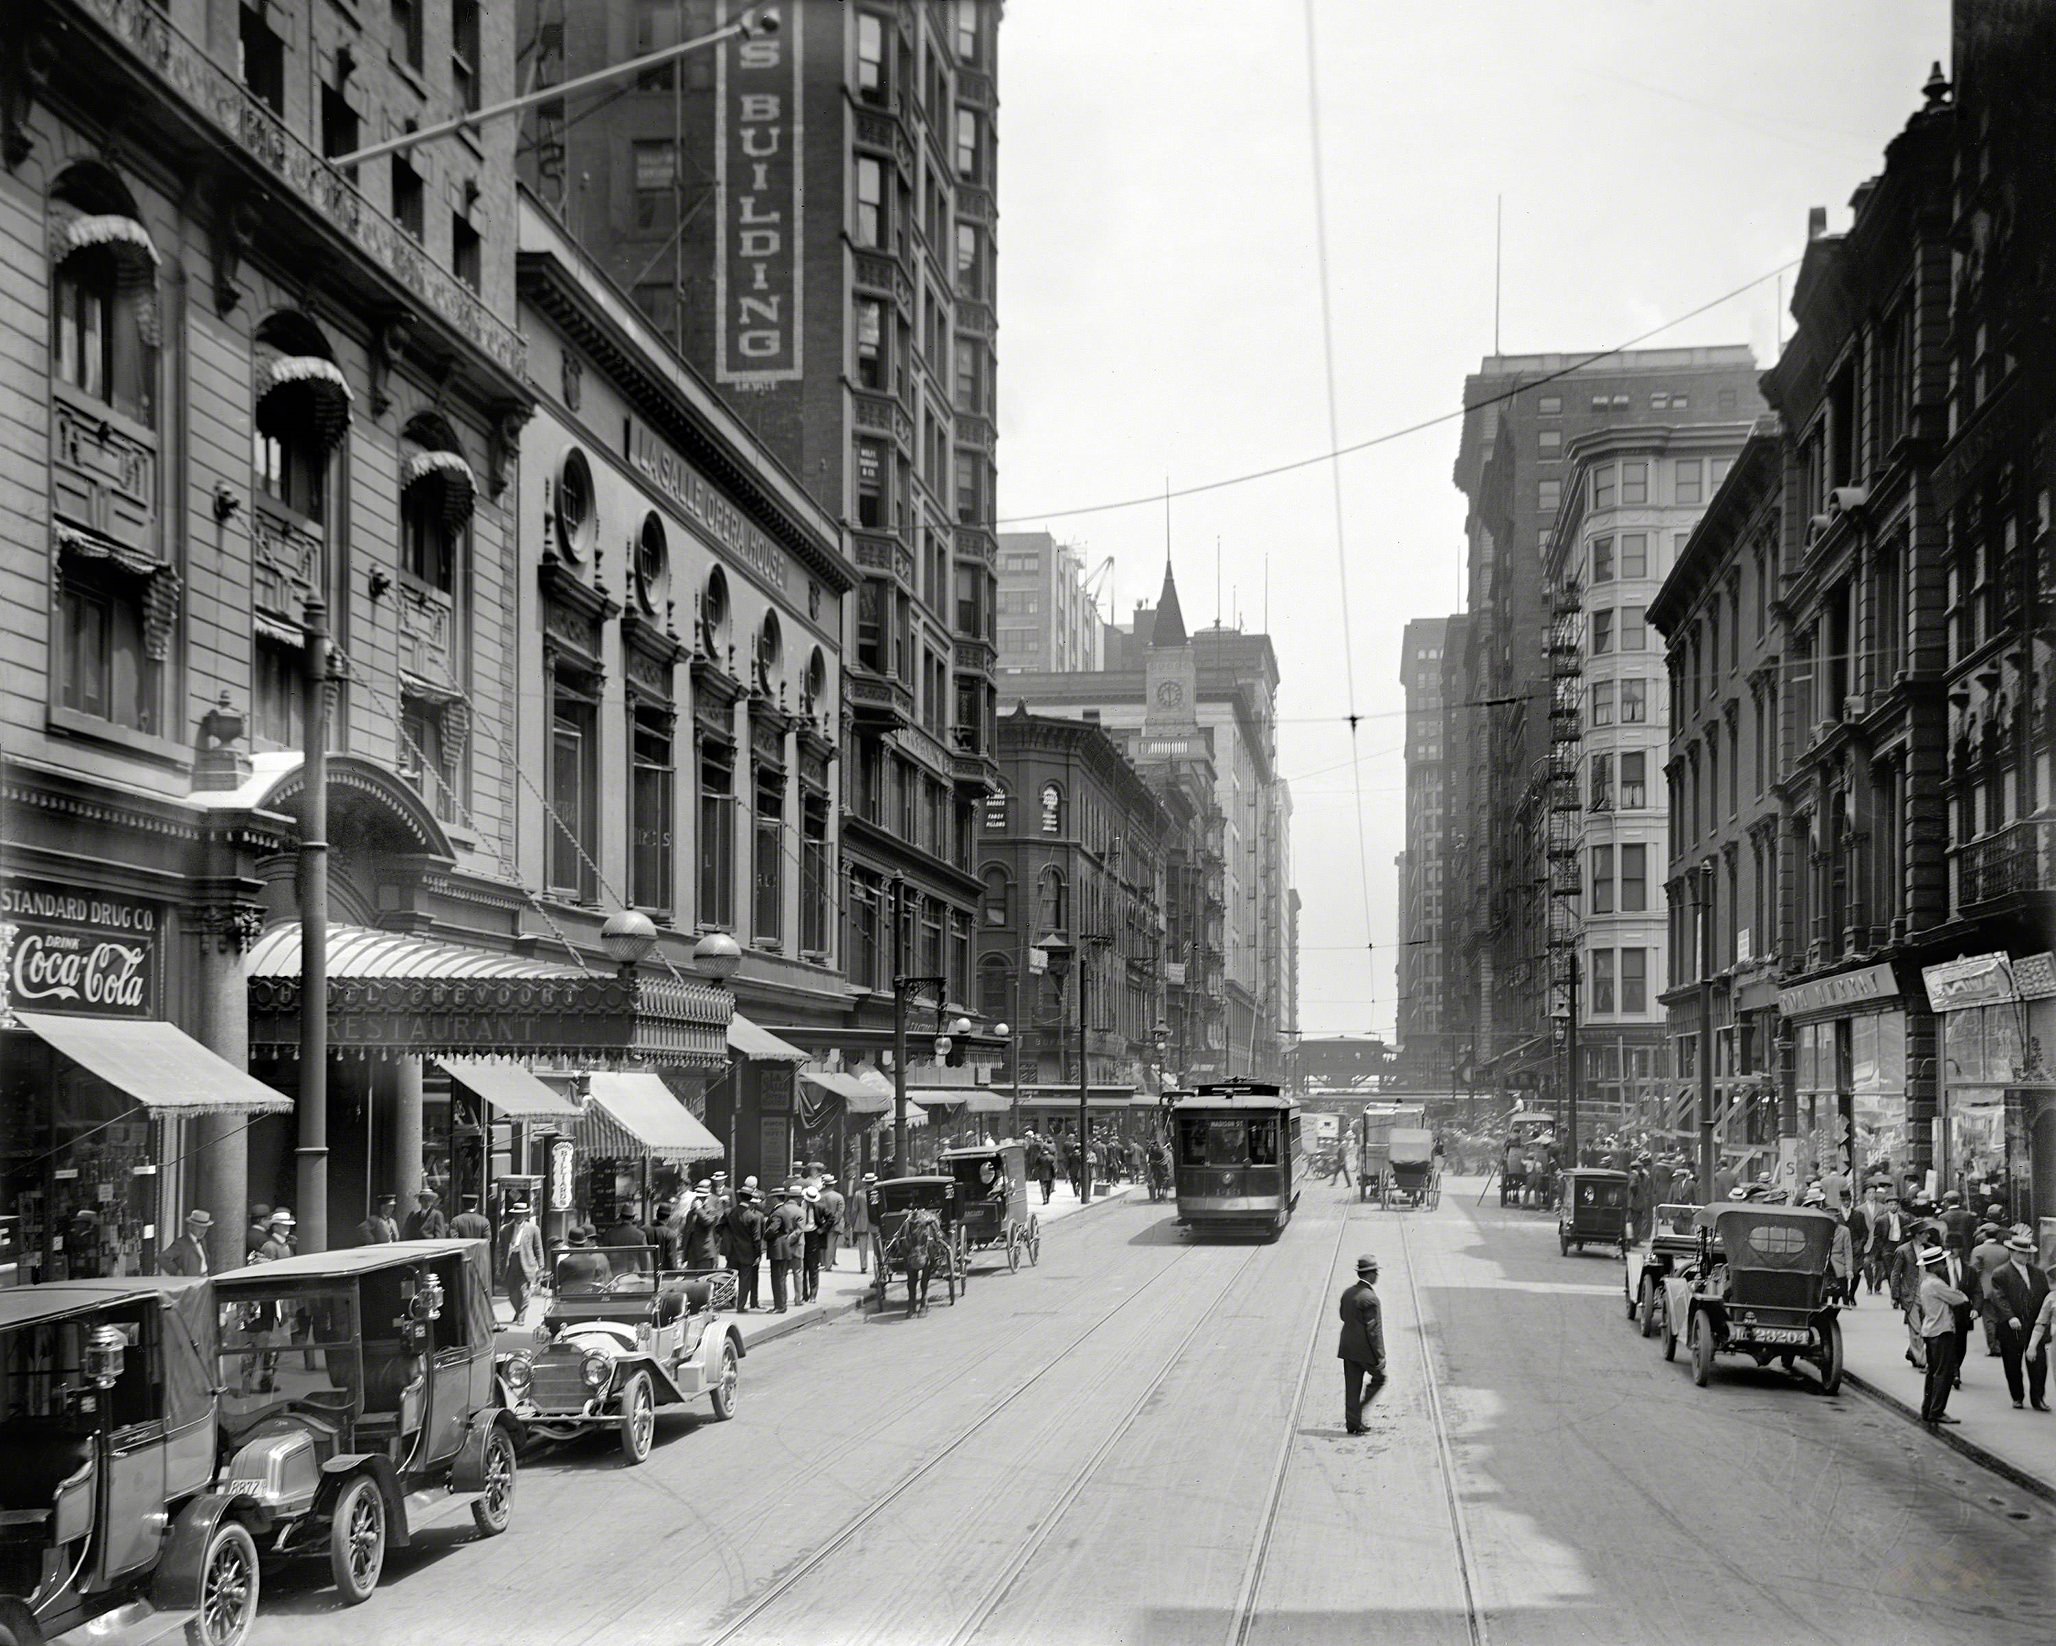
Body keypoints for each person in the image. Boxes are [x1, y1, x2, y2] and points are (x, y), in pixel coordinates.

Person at [1985, 1232, 2052, 1411]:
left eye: (2028, 1253)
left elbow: (2045, 1297)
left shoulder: (2037, 1273)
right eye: (2022, 1253)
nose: (2025, 1256)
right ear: (2012, 1252)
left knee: (2039, 1364)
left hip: (2034, 1326)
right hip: (2012, 1326)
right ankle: (2017, 1396)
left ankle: (2038, 1399)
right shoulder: (2001, 1273)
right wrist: (2010, 1317)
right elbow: (1999, 1298)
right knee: (2012, 1363)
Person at [1916, 1245, 1969, 1426]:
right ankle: (1937, 1411)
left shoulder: (1926, 1282)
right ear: (1934, 1265)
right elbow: (1959, 1298)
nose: (1945, 1266)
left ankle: (1928, 1408)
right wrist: (1961, 1294)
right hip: (1942, 1331)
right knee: (1943, 1373)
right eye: (1941, 1262)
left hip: (1930, 1330)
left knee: (1933, 1372)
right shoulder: (1937, 1284)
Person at [1337, 1254, 1386, 1434]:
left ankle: (1352, 1423)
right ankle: (1358, 1410)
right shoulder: (1370, 1299)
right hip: (1365, 1351)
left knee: (1352, 1386)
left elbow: (1342, 1316)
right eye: (1376, 1272)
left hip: (1347, 1348)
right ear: (1371, 1274)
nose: (1377, 1276)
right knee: (1380, 1378)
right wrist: (1380, 1356)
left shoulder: (1348, 1293)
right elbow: (1374, 1331)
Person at [1972, 1222, 2011, 1356]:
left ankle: (1993, 1346)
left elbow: (1974, 1270)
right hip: (2003, 1288)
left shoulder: (1978, 1250)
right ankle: (2001, 1344)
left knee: (1988, 1319)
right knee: (2001, 1317)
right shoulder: (2005, 1250)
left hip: (1984, 1288)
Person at [722, 1186, 765, 1310]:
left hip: (732, 1251)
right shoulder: (753, 1217)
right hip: (748, 1252)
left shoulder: (730, 1212)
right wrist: (758, 1255)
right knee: (745, 1280)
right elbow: (756, 1239)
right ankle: (741, 1306)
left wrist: (728, 1240)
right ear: (751, 1198)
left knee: (730, 1278)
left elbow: (720, 1228)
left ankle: (726, 1301)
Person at [763, 1187, 803, 1314]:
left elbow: (772, 1229)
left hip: (777, 1248)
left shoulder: (777, 1213)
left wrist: (765, 1235)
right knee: (781, 1277)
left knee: (777, 1278)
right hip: (784, 1247)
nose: (770, 1201)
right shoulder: (784, 1210)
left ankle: (779, 1306)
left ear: (776, 1198)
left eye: (772, 1198)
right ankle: (782, 1303)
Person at [502, 1202, 543, 1320]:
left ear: (525, 1215)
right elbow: (500, 1248)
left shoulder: (533, 1229)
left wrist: (541, 1265)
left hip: (526, 1263)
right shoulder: (505, 1229)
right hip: (511, 1261)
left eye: (520, 1214)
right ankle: (518, 1311)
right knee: (511, 1293)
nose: (518, 1217)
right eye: (516, 1214)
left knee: (524, 1291)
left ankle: (521, 1316)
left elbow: (538, 1248)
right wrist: (499, 1265)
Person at [161, 1208, 214, 1276]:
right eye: (199, 1227)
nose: (203, 1231)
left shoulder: (203, 1241)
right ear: (190, 1226)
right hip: (189, 1282)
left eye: (205, 1228)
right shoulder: (181, 1243)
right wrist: (176, 1271)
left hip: (203, 1279)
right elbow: (162, 1258)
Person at [680, 1184, 723, 1269]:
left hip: (705, 1254)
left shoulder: (711, 1211)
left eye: (702, 1198)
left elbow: (708, 1222)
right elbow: (687, 1233)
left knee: (704, 1280)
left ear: (706, 1199)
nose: (699, 1200)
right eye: (698, 1198)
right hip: (692, 1255)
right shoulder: (691, 1213)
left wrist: (699, 1209)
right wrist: (684, 1255)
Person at [801, 1184, 831, 1301]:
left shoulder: (820, 1207)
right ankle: (804, 1295)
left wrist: (822, 1229)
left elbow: (831, 1218)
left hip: (814, 1236)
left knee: (813, 1266)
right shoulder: (800, 1206)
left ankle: (813, 1295)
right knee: (802, 1268)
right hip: (802, 1236)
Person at [819, 1174, 847, 1270]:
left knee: (822, 1244)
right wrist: (834, 1221)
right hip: (834, 1224)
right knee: (831, 1244)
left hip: (821, 1223)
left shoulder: (819, 1195)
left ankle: (822, 1262)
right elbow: (840, 1211)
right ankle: (828, 1264)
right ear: (833, 1185)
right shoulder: (838, 1196)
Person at [848, 1174, 874, 1274]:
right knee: (877, 1245)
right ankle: (880, 1263)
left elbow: (854, 1210)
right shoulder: (876, 1193)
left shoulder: (858, 1194)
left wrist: (853, 1222)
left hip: (861, 1221)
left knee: (862, 1245)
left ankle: (863, 1266)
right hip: (874, 1222)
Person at [1034, 1142, 1057, 1206]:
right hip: (1050, 1174)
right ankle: (1048, 1197)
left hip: (1041, 1174)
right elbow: (1054, 1167)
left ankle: (1044, 1198)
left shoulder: (1040, 1158)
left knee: (1043, 1187)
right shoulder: (1051, 1157)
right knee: (1048, 1187)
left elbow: (1036, 1165)